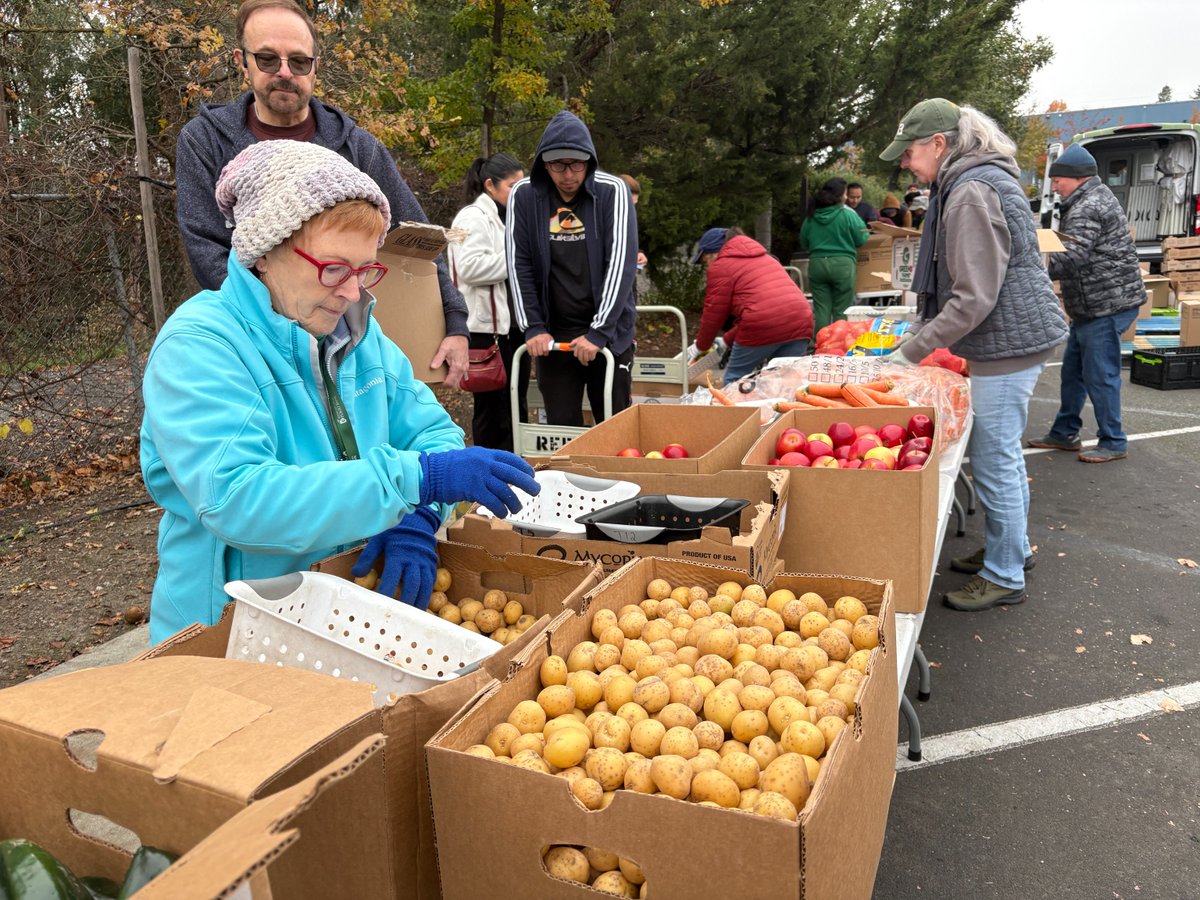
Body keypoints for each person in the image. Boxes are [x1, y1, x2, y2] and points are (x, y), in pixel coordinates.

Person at [140, 141, 539, 644]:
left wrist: (417, 515)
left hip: (338, 614)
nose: (354, 292)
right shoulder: (200, 348)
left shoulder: (355, 334)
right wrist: (412, 481)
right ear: (265, 252)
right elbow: (240, 499)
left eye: (366, 270)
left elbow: (431, 432)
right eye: (334, 269)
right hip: (230, 629)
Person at [174, 0, 471, 386]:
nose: (284, 72)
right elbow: (206, 246)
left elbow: (418, 240)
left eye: (298, 61)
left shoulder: (358, 148)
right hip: (255, 351)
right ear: (241, 61)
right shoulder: (205, 141)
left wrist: (455, 321)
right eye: (267, 59)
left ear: (315, 64)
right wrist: (277, 329)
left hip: (352, 349)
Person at [878, 98, 1068, 612]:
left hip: (1006, 343)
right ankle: (1013, 550)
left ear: (940, 144)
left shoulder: (967, 193)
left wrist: (910, 352)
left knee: (994, 461)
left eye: (910, 152)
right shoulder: (980, 179)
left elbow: (972, 297)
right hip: (1012, 338)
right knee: (1000, 457)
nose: (905, 163)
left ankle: (1005, 574)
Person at [507, 111, 638, 427]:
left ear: (589, 161)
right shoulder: (524, 196)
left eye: (577, 164)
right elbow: (518, 263)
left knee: (614, 423)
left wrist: (599, 332)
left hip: (607, 332)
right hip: (554, 334)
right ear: (544, 164)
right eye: (557, 165)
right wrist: (533, 326)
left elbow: (621, 264)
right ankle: (565, 477)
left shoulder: (613, 192)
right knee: (561, 425)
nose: (568, 174)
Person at [1028, 144, 1145, 463]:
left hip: (1106, 303)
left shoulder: (1087, 206)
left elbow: (1073, 258)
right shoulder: (1085, 200)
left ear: (1076, 178)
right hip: (1093, 303)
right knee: (1073, 371)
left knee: (1100, 373)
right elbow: (1072, 248)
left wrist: (1031, 270)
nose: (1054, 186)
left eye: (1058, 180)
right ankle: (1065, 432)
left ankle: (1113, 440)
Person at [448, 153, 531, 453]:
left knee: (513, 405)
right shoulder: (472, 218)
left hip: (510, 328)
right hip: (487, 330)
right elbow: (468, 268)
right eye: (513, 185)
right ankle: (491, 470)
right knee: (493, 410)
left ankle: (514, 467)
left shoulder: (502, 217)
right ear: (490, 186)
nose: (519, 191)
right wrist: (518, 257)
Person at [690, 227, 814, 384]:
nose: (707, 266)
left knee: (735, 380)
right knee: (784, 383)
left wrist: (701, 346)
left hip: (764, 325)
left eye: (705, 260)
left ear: (714, 253)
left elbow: (713, 314)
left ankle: (735, 409)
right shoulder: (766, 258)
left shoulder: (721, 266)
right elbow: (763, 308)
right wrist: (726, 340)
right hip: (801, 319)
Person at [799, 177, 870, 332]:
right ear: (838, 196)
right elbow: (862, 238)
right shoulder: (848, 215)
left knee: (821, 309)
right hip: (843, 265)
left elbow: (804, 243)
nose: (846, 198)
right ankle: (838, 344)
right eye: (845, 194)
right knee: (841, 309)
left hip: (817, 264)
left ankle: (820, 345)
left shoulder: (811, 216)